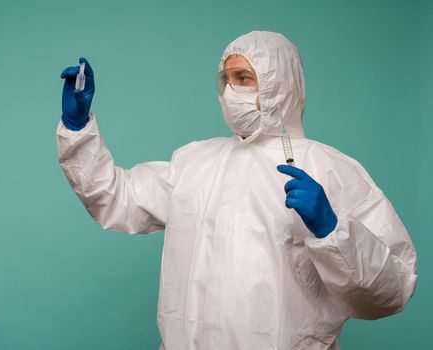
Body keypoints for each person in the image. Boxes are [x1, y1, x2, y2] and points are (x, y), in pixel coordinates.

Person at [56, 31, 417, 350]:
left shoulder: (331, 169)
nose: (231, 92)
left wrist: (334, 231)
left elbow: (392, 290)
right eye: (227, 80)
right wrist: (77, 130)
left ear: (280, 86)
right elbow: (115, 197)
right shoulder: (195, 162)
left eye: (244, 78)